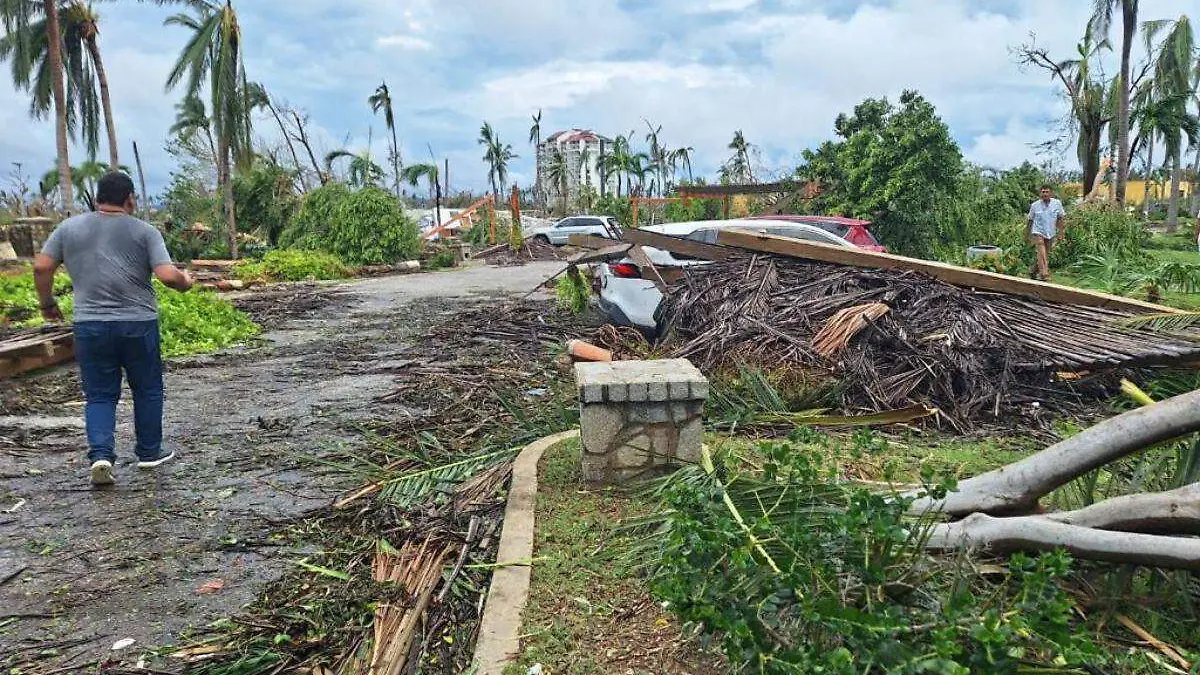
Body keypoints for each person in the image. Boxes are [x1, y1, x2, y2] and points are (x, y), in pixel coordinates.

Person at [32, 172, 194, 486]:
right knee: (147, 388)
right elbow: (167, 275)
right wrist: (185, 281)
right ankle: (149, 452)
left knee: (99, 396)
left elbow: (41, 267)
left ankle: (101, 455)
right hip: (138, 324)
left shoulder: (68, 229)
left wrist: (47, 303)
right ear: (130, 199)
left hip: (90, 325)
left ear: (97, 199)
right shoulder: (145, 231)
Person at [1026, 185, 1066, 281]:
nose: (1045, 194)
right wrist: (1027, 234)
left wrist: (1061, 232)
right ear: (1040, 193)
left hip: (1050, 232)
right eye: (1043, 192)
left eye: (1047, 192)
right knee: (1041, 252)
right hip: (1038, 231)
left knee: (1044, 254)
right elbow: (1030, 220)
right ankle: (1044, 274)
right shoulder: (1035, 205)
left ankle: (1033, 270)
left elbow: (1060, 218)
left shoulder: (1057, 203)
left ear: (1051, 193)